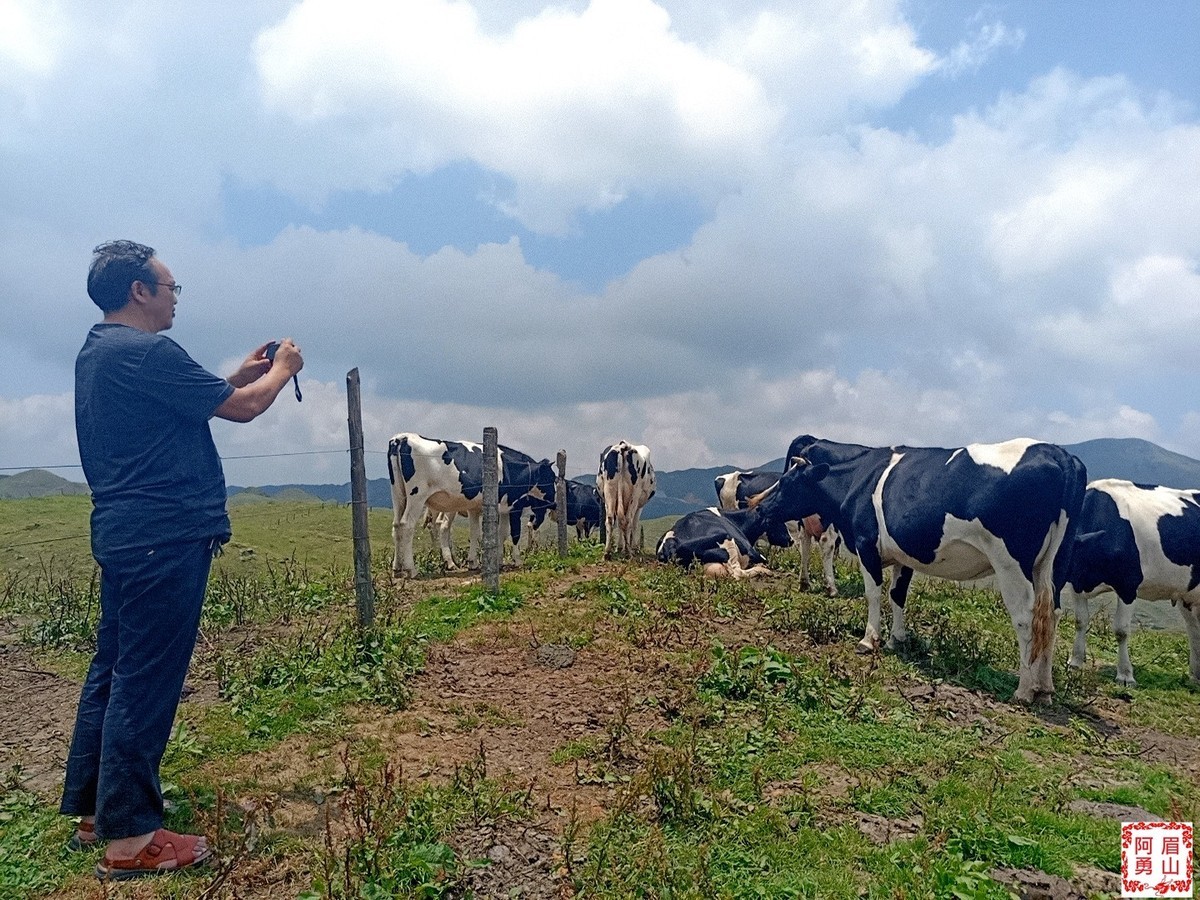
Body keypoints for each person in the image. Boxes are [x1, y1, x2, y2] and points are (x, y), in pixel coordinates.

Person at [59, 240, 304, 880]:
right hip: (163, 535)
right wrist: (281, 372)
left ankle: (98, 812)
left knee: (114, 670)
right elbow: (246, 412)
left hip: (124, 530)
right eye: (171, 287)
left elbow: (207, 398)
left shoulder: (101, 353)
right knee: (146, 680)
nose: (174, 298)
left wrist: (237, 376)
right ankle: (132, 839)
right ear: (140, 290)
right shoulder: (148, 352)